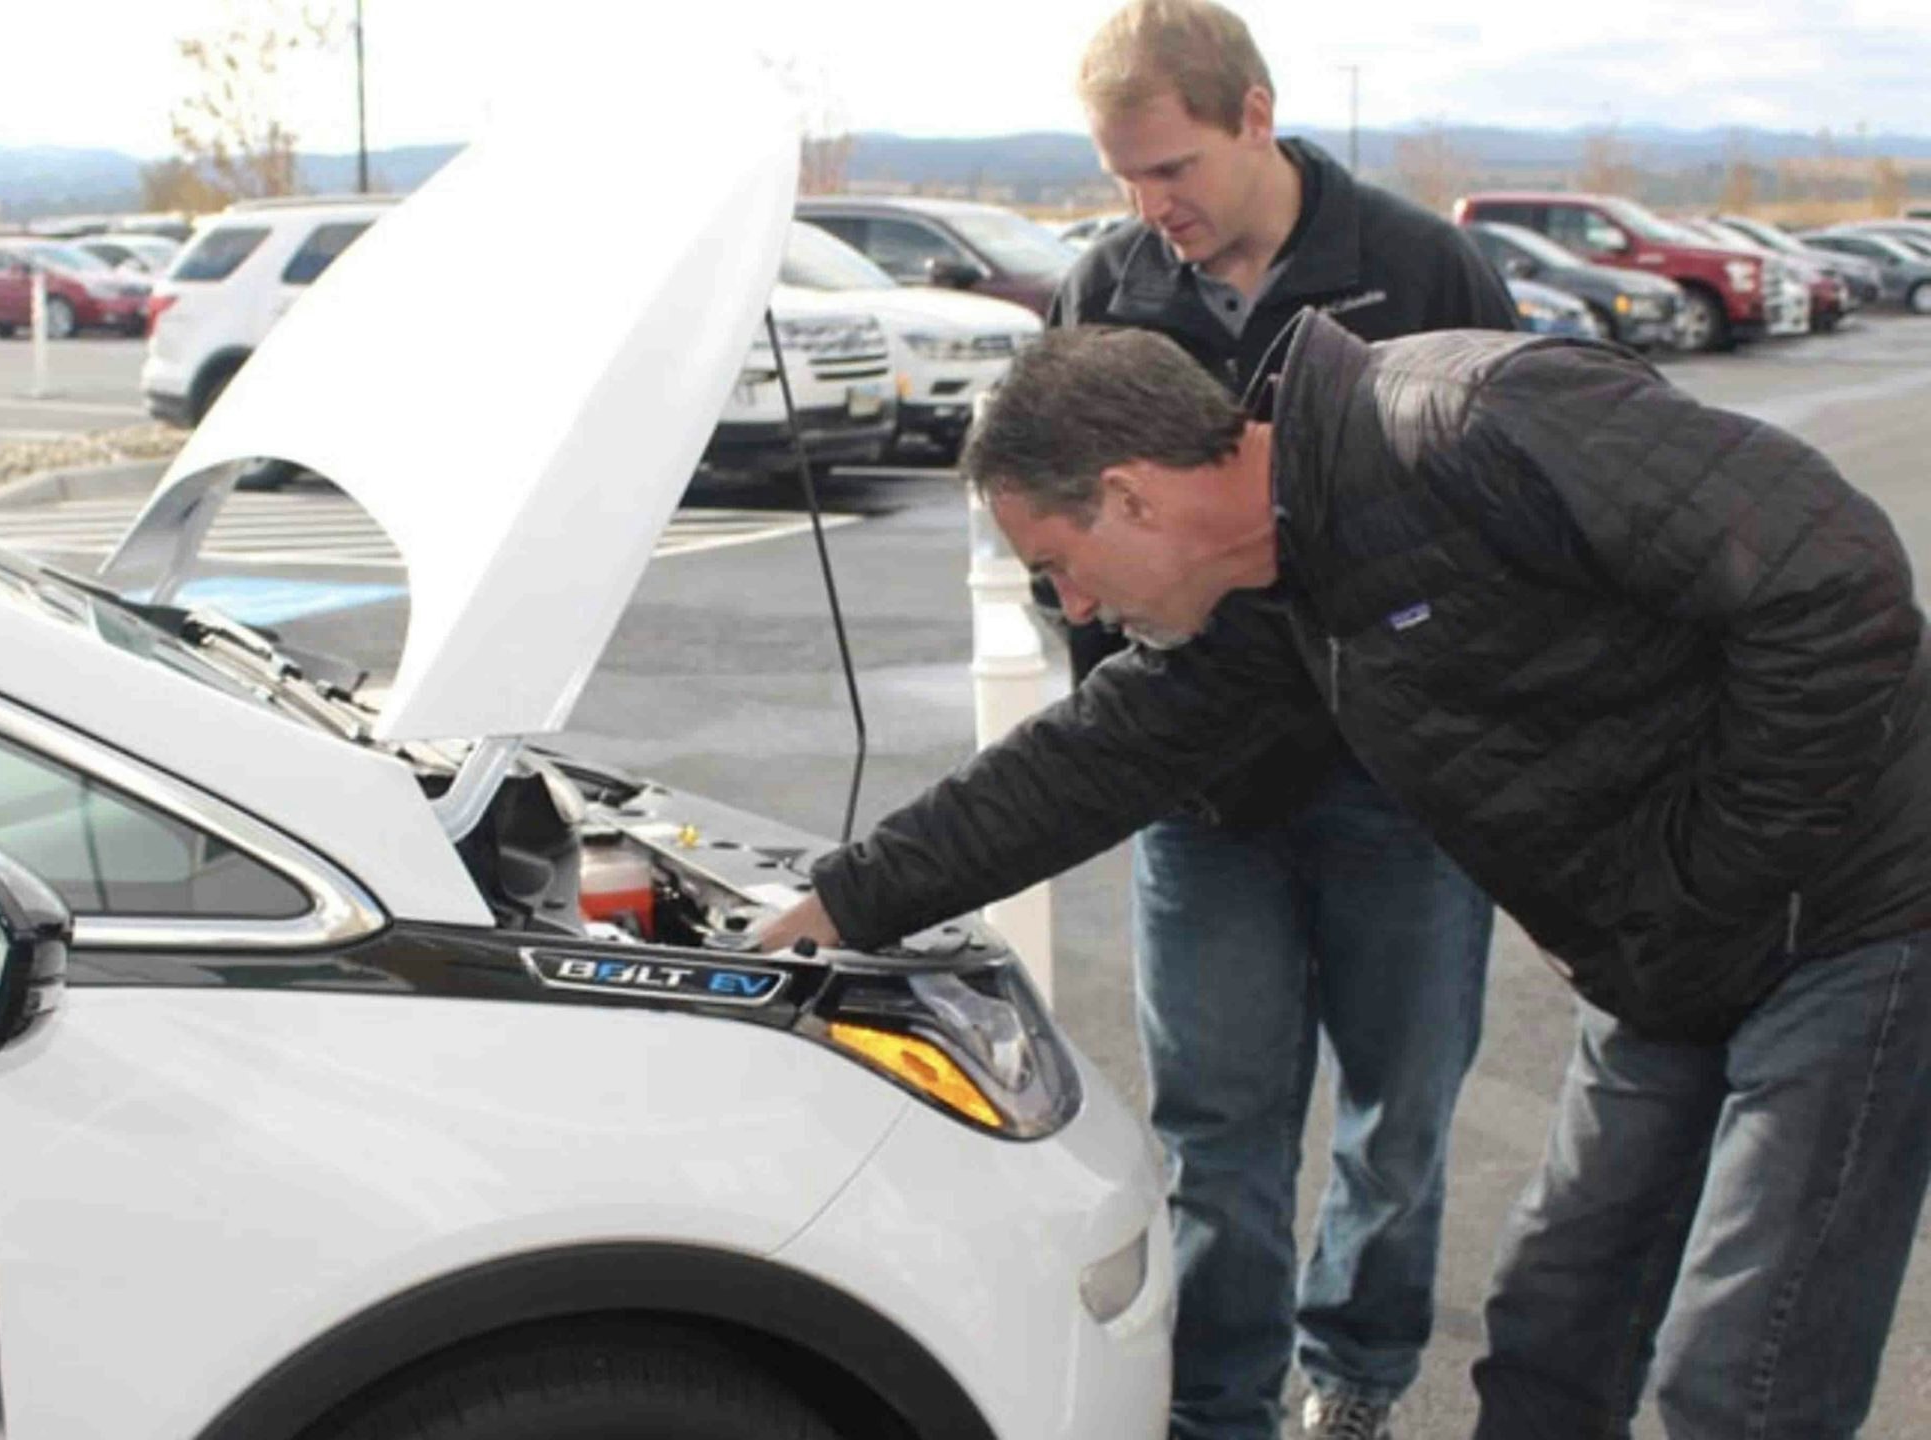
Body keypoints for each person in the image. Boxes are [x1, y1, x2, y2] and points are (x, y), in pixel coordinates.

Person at [761, 316, 1931, 1440]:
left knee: (1743, 1376)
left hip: (1858, 910)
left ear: (1129, 493)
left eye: (1059, 567)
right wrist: (842, 903)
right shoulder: (1289, 585)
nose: (1072, 609)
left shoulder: (1473, 420)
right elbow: (1095, 756)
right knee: (1551, 1335)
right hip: (1671, 944)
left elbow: (1833, 582)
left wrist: (1707, 879)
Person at [1034, 2, 1516, 1435]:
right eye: (1124, 178)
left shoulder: (1424, 268)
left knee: (1401, 1119)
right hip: (1203, 804)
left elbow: (1510, 521)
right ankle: (1219, 1409)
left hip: (1401, 796)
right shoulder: (1104, 290)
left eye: (1171, 167)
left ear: (1255, 114)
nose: (1150, 207)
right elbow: (1058, 534)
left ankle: (1357, 1376)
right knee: (1218, 1136)